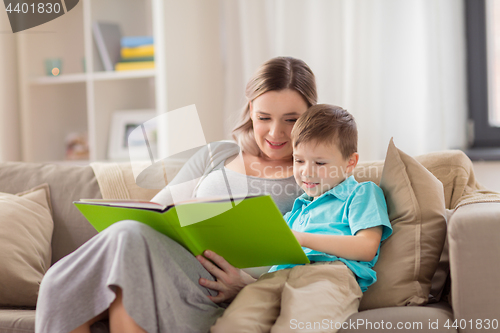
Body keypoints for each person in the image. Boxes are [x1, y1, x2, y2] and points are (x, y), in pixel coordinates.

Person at [35, 56, 317, 333]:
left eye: (290, 120)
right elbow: (157, 211)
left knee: (119, 250)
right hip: (168, 267)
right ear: (250, 112)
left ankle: (69, 279)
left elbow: (320, 259)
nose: (275, 132)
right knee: (128, 237)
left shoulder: (316, 174)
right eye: (263, 118)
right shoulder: (217, 153)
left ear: (311, 117)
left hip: (221, 291)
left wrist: (248, 287)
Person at [211, 104, 393, 333]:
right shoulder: (297, 210)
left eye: (319, 163)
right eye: (299, 160)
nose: (307, 172)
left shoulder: (361, 193)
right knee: (232, 325)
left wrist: (301, 239)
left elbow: (366, 247)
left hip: (328, 275)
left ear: (350, 162)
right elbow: (273, 259)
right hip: (279, 276)